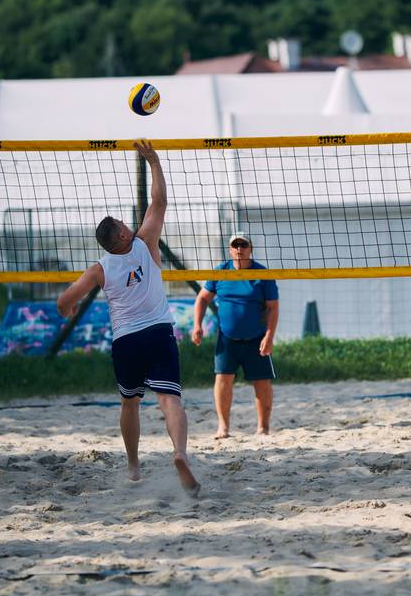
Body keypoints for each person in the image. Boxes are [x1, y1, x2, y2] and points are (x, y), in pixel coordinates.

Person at [57, 139, 200, 497]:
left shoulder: (99, 269)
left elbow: (64, 300)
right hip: (158, 333)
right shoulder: (144, 241)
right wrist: (153, 161)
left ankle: (133, 465)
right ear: (122, 234)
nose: (128, 223)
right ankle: (180, 452)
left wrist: (69, 308)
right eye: (123, 223)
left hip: (127, 341)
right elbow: (160, 201)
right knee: (171, 400)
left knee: (129, 403)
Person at [191, 232, 279, 438]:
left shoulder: (262, 274)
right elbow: (202, 299)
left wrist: (269, 337)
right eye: (235, 245)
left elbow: (273, 308)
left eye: (243, 245)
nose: (240, 249)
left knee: (262, 382)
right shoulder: (221, 272)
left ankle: (263, 428)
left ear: (251, 248)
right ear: (230, 249)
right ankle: (223, 427)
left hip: (256, 337)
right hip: (227, 338)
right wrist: (197, 325)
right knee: (222, 380)